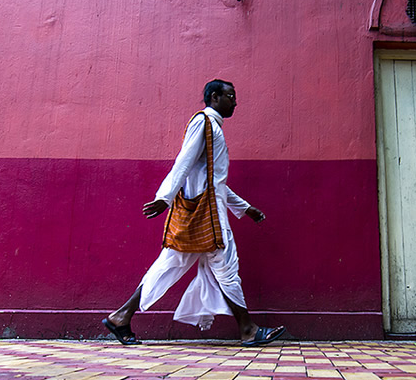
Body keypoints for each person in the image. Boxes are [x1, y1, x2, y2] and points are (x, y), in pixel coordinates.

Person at [102, 79, 286, 347]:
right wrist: (164, 198)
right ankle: (248, 329)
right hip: (207, 218)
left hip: (203, 216)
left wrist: (245, 208)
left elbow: (214, 181)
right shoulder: (204, 123)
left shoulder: (214, 128)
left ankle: (121, 316)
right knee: (225, 267)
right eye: (230, 96)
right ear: (214, 97)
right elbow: (184, 161)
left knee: (168, 267)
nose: (235, 101)